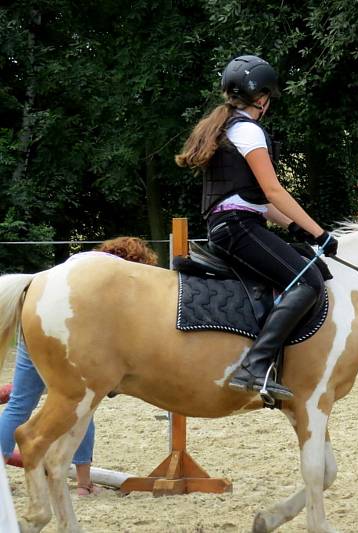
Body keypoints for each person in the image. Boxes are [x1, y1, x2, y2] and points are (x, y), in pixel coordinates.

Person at [175, 54, 337, 403]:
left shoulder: (228, 128)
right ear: (261, 98)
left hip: (235, 223)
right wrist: (320, 233)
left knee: (305, 264)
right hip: (237, 228)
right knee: (306, 280)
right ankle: (255, 365)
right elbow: (273, 191)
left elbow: (258, 203)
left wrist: (296, 227)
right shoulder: (247, 130)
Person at [0, 237, 159, 496]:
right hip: (68, 336)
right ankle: (84, 483)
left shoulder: (80, 261)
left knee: (19, 403)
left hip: (34, 329)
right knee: (84, 405)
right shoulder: (114, 276)